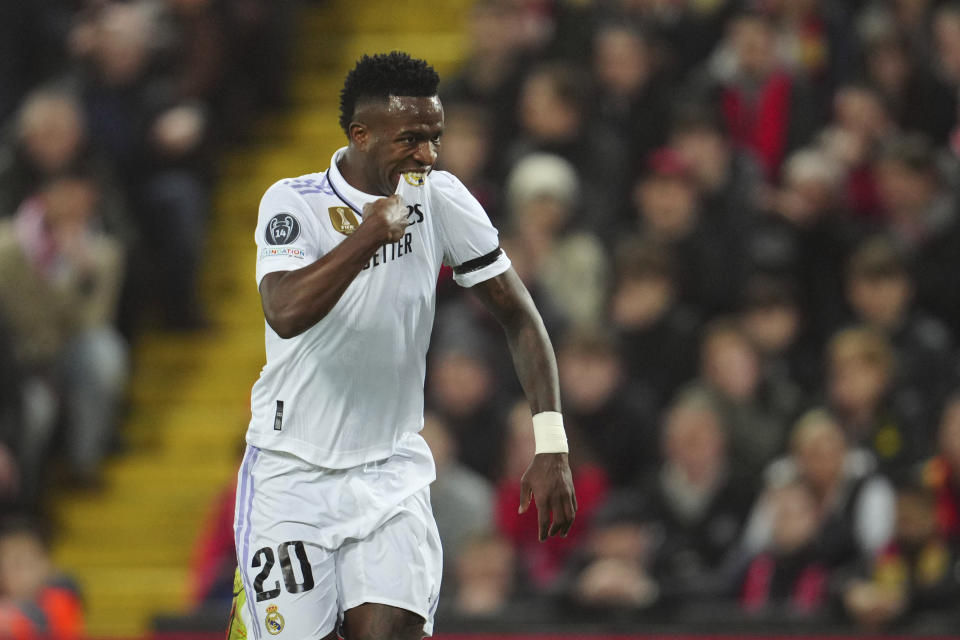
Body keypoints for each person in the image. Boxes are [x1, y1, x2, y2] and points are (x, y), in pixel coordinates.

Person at [227, 52, 576, 640]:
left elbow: (520, 317)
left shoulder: (440, 198)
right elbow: (285, 311)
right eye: (411, 139)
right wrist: (366, 235)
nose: (428, 156)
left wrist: (551, 443)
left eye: (434, 138)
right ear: (360, 135)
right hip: (291, 477)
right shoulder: (294, 203)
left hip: (390, 473)